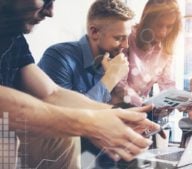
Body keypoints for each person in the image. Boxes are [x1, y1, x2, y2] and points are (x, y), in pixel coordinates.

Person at [0, 0, 159, 168]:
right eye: (45, 0)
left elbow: (52, 93)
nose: (51, 12)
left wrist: (117, 115)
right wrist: (89, 121)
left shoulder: (13, 38)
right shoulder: (60, 56)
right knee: (60, 136)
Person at [37, 0, 135, 167]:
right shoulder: (58, 57)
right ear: (94, 32)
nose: (125, 46)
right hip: (63, 156)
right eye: (119, 38)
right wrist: (110, 79)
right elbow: (65, 120)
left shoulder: (110, 61)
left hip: (100, 154)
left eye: (127, 38)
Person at [112, 0, 182, 109]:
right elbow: (119, 85)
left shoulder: (165, 49)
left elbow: (167, 84)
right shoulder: (127, 38)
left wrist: (179, 103)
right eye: (159, 25)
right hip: (117, 108)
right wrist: (143, 104)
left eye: (169, 26)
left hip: (142, 110)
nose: (163, 32)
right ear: (148, 21)